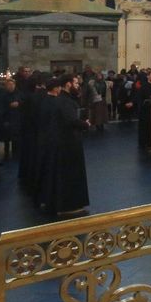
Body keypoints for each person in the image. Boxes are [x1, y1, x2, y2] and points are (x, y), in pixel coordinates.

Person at [37, 77, 91, 216]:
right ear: (68, 84)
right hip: (67, 143)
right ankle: (68, 206)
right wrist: (85, 124)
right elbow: (71, 120)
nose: (78, 86)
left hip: (61, 141)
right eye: (76, 83)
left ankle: (56, 203)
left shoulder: (60, 100)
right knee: (68, 176)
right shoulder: (65, 101)